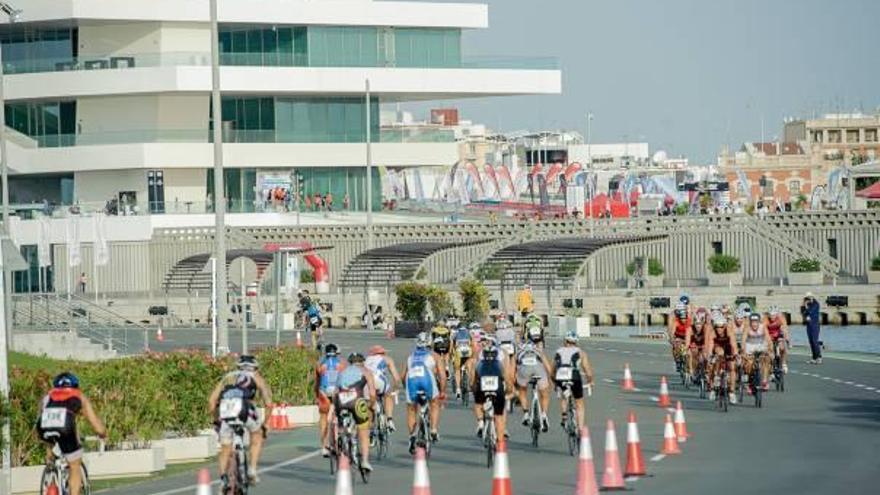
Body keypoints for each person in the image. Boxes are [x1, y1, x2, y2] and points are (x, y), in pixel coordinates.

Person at [37, 373, 107, 495]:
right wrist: (103, 434)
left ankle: (51, 467)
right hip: (65, 426)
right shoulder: (79, 396)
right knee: (74, 466)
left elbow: (43, 418)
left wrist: (48, 446)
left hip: (43, 426)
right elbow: (96, 425)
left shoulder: (48, 396)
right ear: (75, 386)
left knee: (50, 441)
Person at [209, 355, 273, 486]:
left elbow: (212, 401)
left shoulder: (227, 377)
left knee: (225, 447)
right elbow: (269, 403)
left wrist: (216, 421)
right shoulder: (256, 377)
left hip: (226, 409)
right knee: (256, 435)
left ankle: (223, 479)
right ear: (255, 368)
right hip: (245, 407)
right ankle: (252, 470)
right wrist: (265, 424)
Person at [403, 333, 446, 453]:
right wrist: (442, 391)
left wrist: (405, 387)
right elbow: (442, 376)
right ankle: (433, 430)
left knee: (411, 408)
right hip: (426, 379)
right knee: (434, 403)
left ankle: (412, 435)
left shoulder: (410, 356)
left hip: (412, 380)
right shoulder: (434, 355)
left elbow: (403, 376)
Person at [334, 352, 377, 473]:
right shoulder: (366, 372)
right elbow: (372, 393)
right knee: (364, 430)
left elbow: (335, 392)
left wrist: (336, 409)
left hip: (340, 400)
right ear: (362, 362)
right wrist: (371, 404)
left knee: (341, 424)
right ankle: (365, 461)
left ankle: (341, 436)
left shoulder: (343, 372)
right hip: (357, 401)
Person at [470, 337, 513, 440]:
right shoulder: (502, 355)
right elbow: (507, 374)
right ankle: (503, 428)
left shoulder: (480, 356)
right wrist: (510, 388)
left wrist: (472, 386)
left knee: (478, 403)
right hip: (498, 383)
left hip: (482, 382)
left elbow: (474, 373)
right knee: (501, 407)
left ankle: (480, 423)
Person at [551, 331, 594, 429]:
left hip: (560, 376)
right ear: (576, 342)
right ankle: (580, 428)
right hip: (574, 376)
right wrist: (590, 381)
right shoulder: (581, 352)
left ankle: (564, 415)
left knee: (563, 393)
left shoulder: (558, 351)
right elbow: (588, 370)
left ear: (565, 341)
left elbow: (552, 370)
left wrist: (555, 383)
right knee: (579, 402)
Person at [514, 340, 552, 432]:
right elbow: (547, 366)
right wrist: (551, 379)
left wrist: (514, 381)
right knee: (545, 394)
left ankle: (526, 414)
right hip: (538, 369)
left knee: (522, 391)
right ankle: (543, 415)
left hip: (524, 370)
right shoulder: (538, 351)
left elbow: (512, 368)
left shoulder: (519, 352)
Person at [315, 343, 346, 457]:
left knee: (323, 417)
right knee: (341, 414)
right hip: (338, 392)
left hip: (324, 391)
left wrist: (316, 396)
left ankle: (324, 446)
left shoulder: (320, 364)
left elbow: (317, 382)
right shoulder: (342, 364)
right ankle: (340, 439)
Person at [365, 345, 401, 433]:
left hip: (368, 383)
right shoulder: (387, 358)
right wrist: (396, 389)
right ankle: (389, 419)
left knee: (370, 405)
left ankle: (371, 430)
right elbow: (396, 378)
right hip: (379, 380)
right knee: (388, 395)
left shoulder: (366, 360)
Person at [705, 315, 738, 404]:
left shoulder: (729, 332)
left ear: (725, 326)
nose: (719, 329)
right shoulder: (713, 333)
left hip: (728, 348)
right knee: (715, 360)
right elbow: (710, 347)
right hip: (717, 348)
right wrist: (710, 357)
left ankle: (732, 392)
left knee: (732, 367)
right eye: (717, 327)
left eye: (721, 327)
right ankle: (712, 389)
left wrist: (735, 355)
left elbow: (734, 345)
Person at [741, 313, 772, 391]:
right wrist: (743, 351)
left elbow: (768, 339)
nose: (754, 324)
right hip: (750, 346)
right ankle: (750, 381)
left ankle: (764, 381)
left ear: (759, 322)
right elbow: (743, 341)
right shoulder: (747, 328)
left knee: (766, 359)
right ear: (750, 322)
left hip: (760, 345)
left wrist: (770, 349)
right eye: (752, 322)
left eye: (756, 322)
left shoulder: (763, 327)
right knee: (749, 363)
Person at [684, 307, 709, 379]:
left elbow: (707, 342)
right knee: (691, 353)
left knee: (705, 355)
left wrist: (706, 348)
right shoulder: (690, 329)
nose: (698, 326)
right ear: (694, 323)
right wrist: (687, 349)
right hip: (693, 344)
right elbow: (687, 343)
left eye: (700, 324)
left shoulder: (706, 328)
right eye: (696, 324)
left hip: (702, 344)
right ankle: (692, 370)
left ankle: (706, 370)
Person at [765, 305, 791, 373]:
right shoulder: (765, 319)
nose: (772, 317)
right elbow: (764, 331)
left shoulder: (781, 318)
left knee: (782, 347)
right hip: (769, 335)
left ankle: (784, 363)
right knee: (769, 351)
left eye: (774, 315)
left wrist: (787, 340)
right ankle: (770, 367)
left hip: (778, 333)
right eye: (770, 315)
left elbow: (785, 329)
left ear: (777, 314)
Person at [667, 302, 691, 372]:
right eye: (682, 319)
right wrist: (672, 340)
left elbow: (690, 333)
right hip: (678, 336)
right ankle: (677, 361)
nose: (683, 320)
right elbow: (672, 332)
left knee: (689, 349)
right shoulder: (676, 321)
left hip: (687, 335)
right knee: (676, 345)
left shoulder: (689, 320)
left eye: (685, 319)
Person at [452, 323, 474, 399]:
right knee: (470, 368)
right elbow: (473, 344)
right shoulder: (469, 333)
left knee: (457, 369)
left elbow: (452, 345)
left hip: (458, 352)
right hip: (468, 352)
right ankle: (470, 385)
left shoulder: (455, 334)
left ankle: (458, 389)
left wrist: (452, 354)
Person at [801, 292, 822, 364]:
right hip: (809, 325)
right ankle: (814, 357)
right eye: (806, 298)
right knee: (811, 341)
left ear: (812, 297)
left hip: (815, 324)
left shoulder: (816, 304)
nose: (808, 299)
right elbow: (802, 312)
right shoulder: (807, 304)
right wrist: (803, 304)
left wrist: (806, 306)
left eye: (809, 297)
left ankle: (819, 357)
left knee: (814, 340)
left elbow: (809, 311)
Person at [430, 323, 452, 389]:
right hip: (445, 346)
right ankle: (447, 367)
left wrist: (431, 349)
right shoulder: (446, 330)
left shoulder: (434, 330)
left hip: (437, 347)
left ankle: (435, 374)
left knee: (436, 358)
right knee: (446, 354)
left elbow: (432, 341)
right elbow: (450, 339)